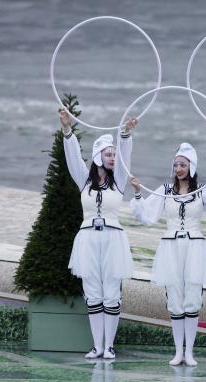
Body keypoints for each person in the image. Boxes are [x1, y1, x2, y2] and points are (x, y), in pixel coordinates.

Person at [129, 142, 206, 367]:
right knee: (174, 299)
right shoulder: (165, 190)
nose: (179, 169)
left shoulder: (203, 190)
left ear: (191, 166)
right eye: (176, 165)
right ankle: (177, 352)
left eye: (183, 164)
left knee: (192, 298)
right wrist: (136, 192)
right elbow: (145, 215)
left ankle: (189, 352)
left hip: (194, 248)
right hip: (170, 248)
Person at [59, 111, 136, 360]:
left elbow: (126, 154)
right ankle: (97, 346)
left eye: (114, 154)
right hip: (88, 238)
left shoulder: (120, 180)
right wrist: (67, 130)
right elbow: (73, 159)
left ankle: (109, 346)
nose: (113, 157)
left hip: (113, 239)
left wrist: (124, 134)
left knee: (111, 292)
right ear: (98, 156)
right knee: (92, 291)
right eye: (108, 154)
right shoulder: (84, 180)